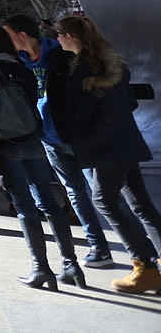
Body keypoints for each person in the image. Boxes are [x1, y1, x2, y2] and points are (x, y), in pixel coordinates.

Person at [0, 23, 80, 289]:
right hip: (31, 140)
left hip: (5, 144)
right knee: (49, 204)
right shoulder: (21, 67)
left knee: (24, 206)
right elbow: (31, 100)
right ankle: (70, 265)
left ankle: (41, 269)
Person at [47, 16, 161, 294]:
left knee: (104, 200)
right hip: (122, 145)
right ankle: (149, 270)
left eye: (59, 34)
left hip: (110, 149)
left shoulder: (88, 69)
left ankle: (144, 268)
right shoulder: (106, 63)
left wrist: (85, 142)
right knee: (141, 206)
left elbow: (111, 114)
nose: (56, 39)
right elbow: (129, 104)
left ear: (71, 36)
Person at [3, 14, 115, 268]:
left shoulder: (61, 53)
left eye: (8, 35)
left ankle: (143, 252)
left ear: (22, 35)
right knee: (76, 194)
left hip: (76, 136)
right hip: (49, 138)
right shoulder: (19, 62)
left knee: (105, 195)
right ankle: (99, 246)